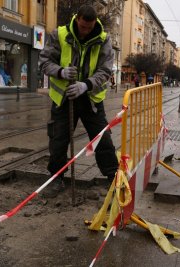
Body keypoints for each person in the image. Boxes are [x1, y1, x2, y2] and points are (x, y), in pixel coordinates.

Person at [39, 5, 119, 196]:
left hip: (90, 99)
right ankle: (56, 179)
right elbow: (44, 62)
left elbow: (105, 70)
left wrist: (86, 85)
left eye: (89, 28)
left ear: (94, 24)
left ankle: (113, 178)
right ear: (77, 20)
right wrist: (60, 71)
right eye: (82, 27)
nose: (85, 31)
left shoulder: (103, 39)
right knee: (58, 140)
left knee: (103, 139)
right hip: (64, 98)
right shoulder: (59, 34)